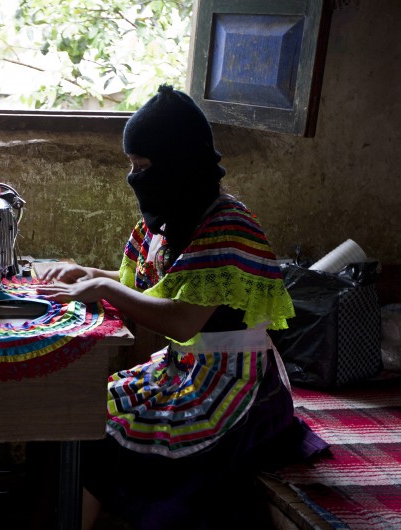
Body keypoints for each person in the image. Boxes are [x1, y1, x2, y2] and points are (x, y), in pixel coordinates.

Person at [36, 84, 328, 530]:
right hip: (185, 368)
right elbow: (151, 285)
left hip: (232, 384)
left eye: (143, 167)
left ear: (178, 163)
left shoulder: (227, 226)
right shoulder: (169, 216)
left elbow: (181, 318)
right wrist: (89, 274)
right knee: (82, 418)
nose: (135, 177)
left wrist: (104, 290)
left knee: (103, 440)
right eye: (132, 166)